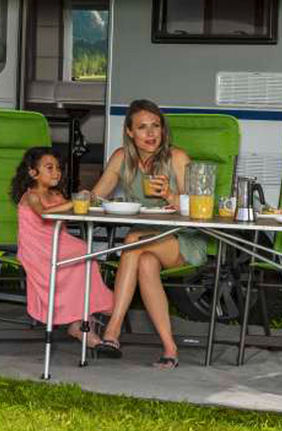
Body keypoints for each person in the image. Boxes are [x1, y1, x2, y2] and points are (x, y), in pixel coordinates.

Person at [87, 99, 205, 368]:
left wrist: (169, 194)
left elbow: (198, 208)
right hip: (144, 241)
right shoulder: (121, 158)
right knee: (145, 262)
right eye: (142, 127)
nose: (151, 134)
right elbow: (96, 197)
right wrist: (82, 198)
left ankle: (112, 332)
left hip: (182, 238)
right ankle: (170, 349)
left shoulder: (177, 158)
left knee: (132, 241)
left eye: (156, 126)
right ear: (129, 131)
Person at [11, 146, 115, 346]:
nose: (56, 172)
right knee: (81, 253)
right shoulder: (31, 195)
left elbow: (68, 213)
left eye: (58, 168)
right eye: (49, 168)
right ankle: (91, 311)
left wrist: (87, 204)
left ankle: (81, 319)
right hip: (37, 249)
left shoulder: (57, 196)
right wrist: (74, 201)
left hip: (58, 241)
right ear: (33, 172)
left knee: (84, 252)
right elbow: (44, 214)